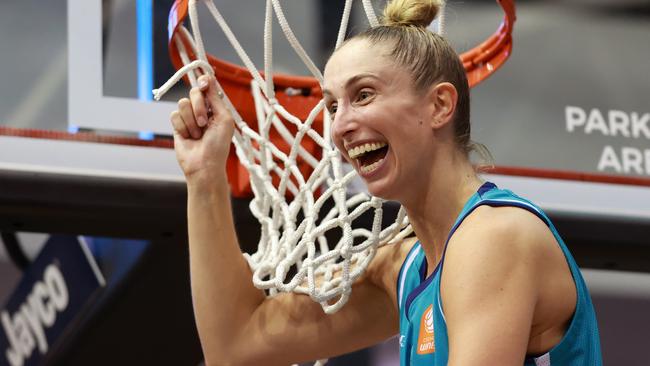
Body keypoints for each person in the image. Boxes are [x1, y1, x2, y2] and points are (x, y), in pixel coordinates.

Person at [169, 0, 602, 364]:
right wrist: (205, 177)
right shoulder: (406, 269)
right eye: (332, 105)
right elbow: (236, 346)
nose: (340, 124)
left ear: (439, 105)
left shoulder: (495, 237)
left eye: (363, 95)